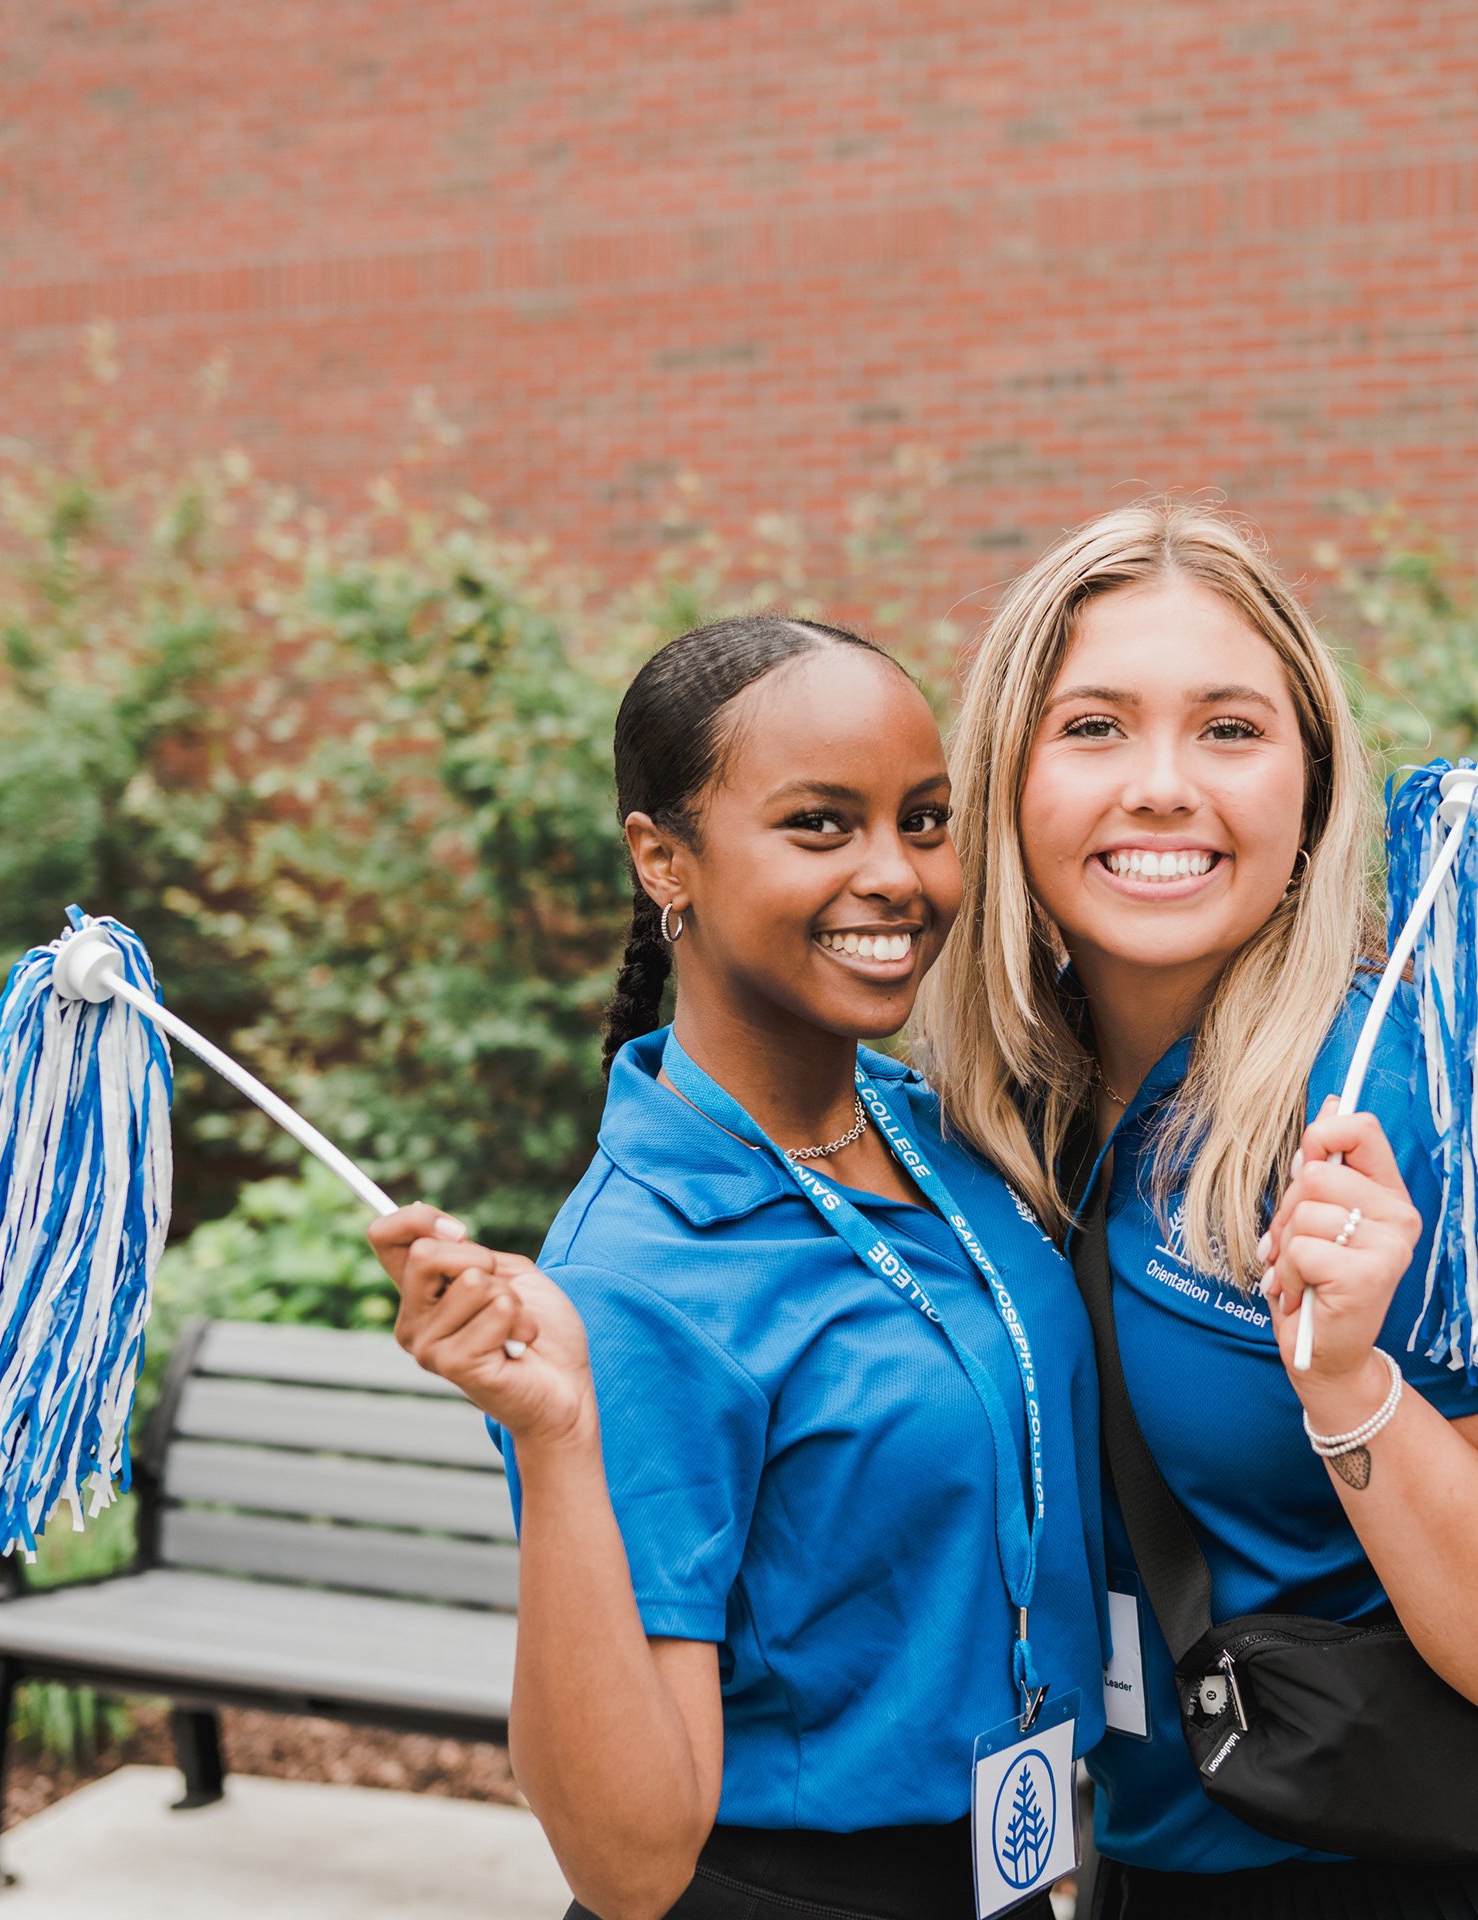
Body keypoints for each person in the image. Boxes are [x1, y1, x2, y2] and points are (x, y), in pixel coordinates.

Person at [920, 505, 1478, 1918]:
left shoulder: (1399, 1100)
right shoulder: (993, 1113)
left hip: (1449, 1867)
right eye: (1094, 727)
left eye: (1230, 730)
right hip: (1160, 1861)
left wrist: (1352, 1387)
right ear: (1006, 773)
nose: (1163, 785)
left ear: (1310, 776)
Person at [368, 616, 1106, 1920]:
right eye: (821, 825)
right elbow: (631, 1861)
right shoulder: (637, 1282)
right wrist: (555, 1438)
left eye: (923, 820)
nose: (899, 875)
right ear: (665, 859)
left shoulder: (941, 1132)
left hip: (1007, 1865)